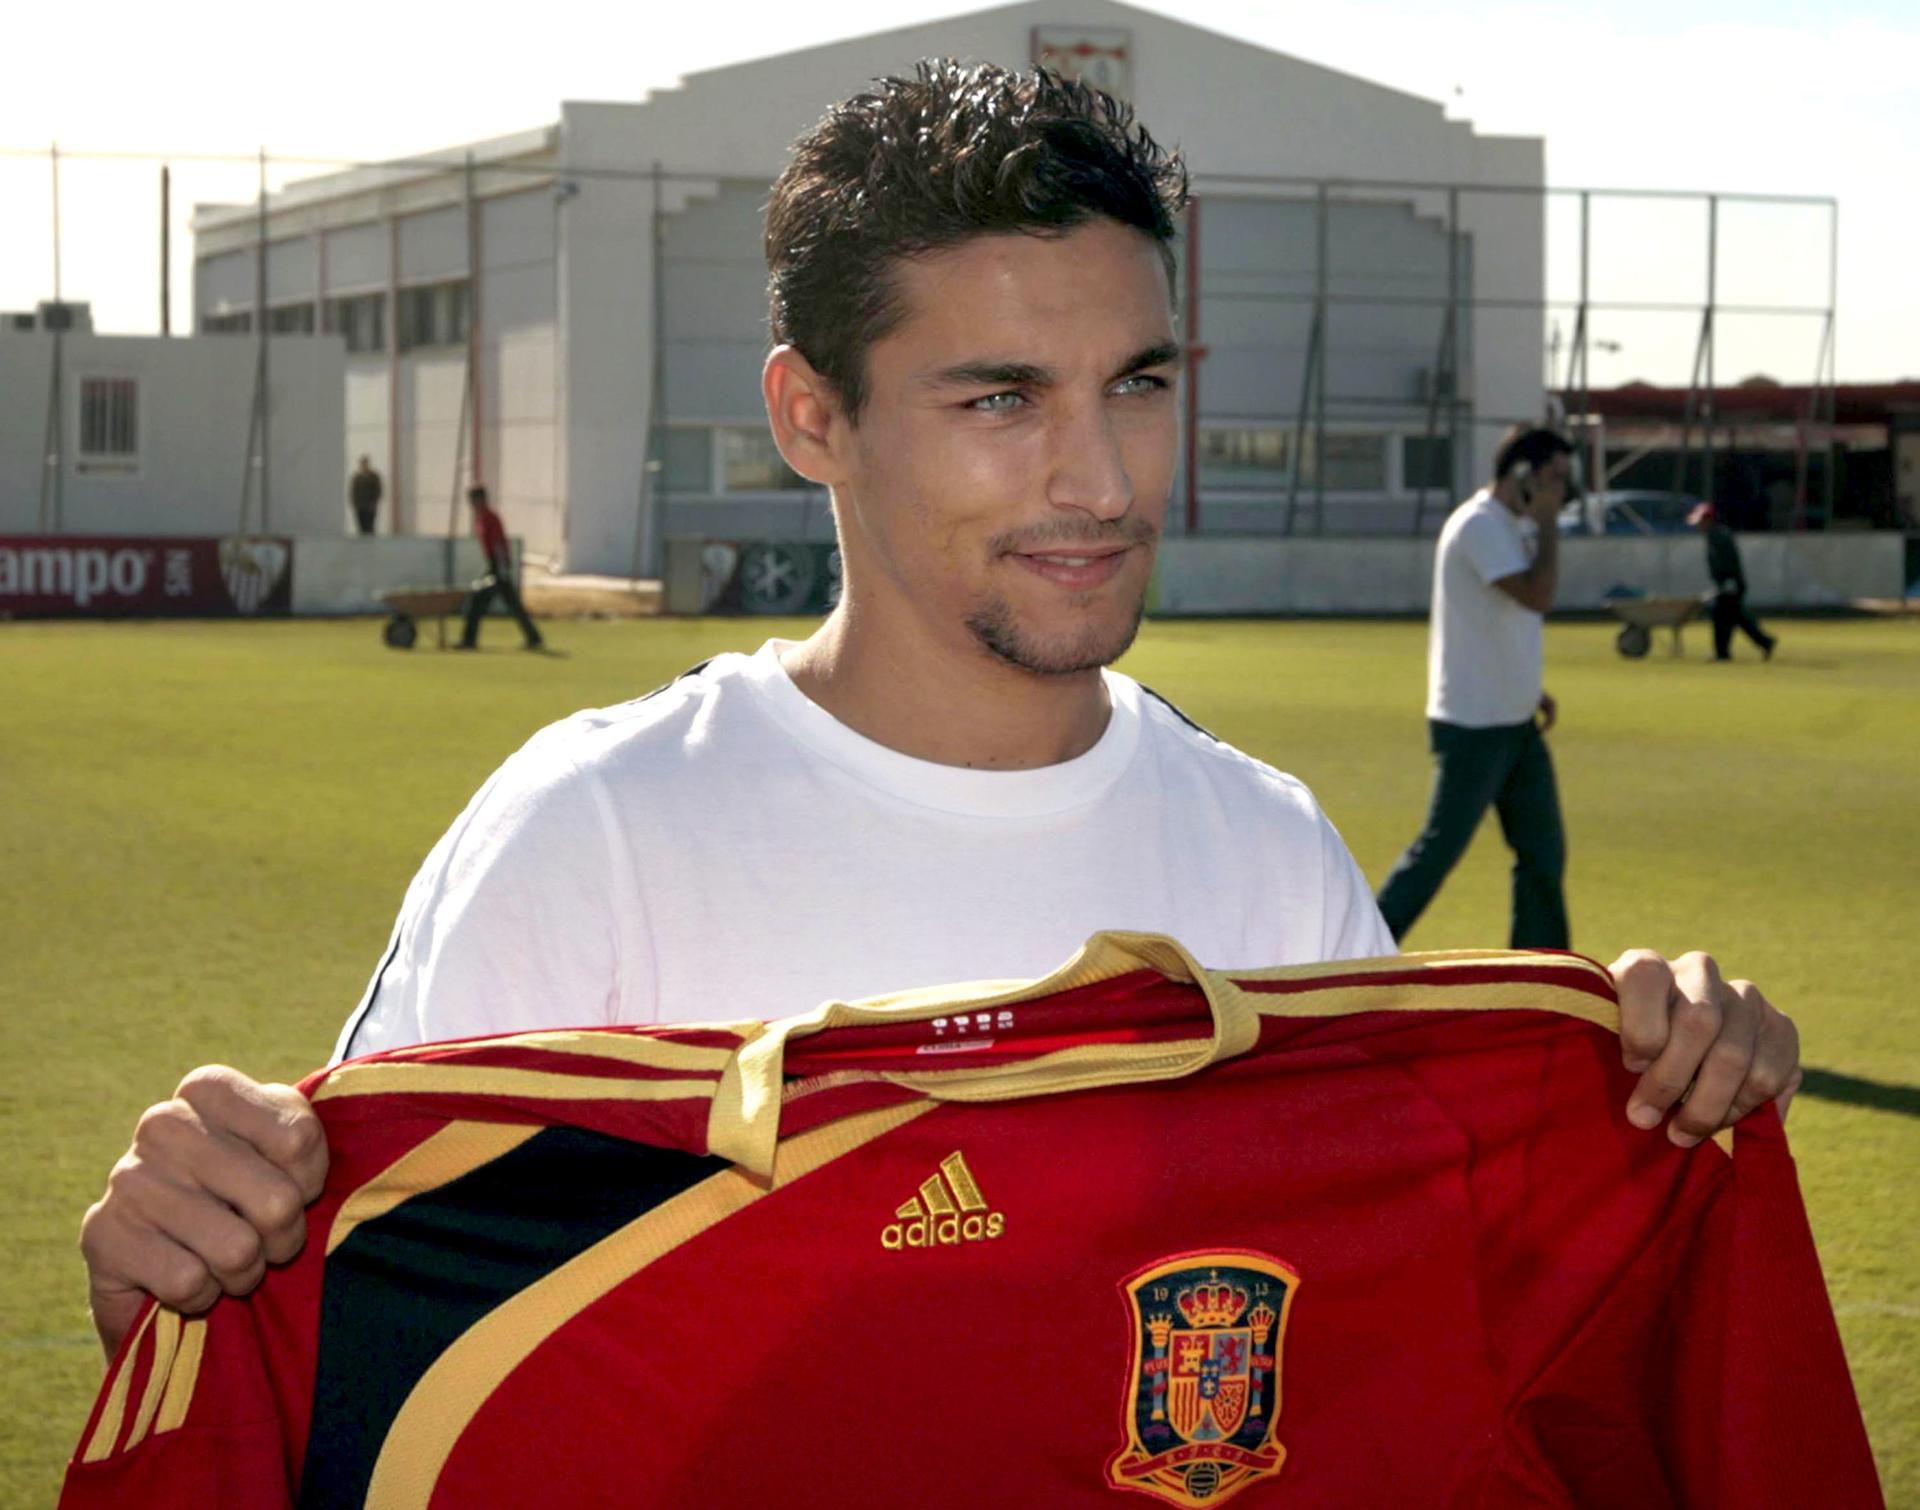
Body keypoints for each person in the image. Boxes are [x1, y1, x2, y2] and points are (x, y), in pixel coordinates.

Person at [77, 63, 1799, 1360]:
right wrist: (179, 1263)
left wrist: (1667, 1094)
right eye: (1000, 398)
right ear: (811, 417)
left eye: (1137, 384)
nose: (1101, 476)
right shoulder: (592, 836)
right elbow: (351, 1367)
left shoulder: (1270, 861)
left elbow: (1413, 1356)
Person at [1376, 428, 1573, 949]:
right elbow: (1537, 595)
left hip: (1515, 722)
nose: (1562, 491)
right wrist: (1550, 522)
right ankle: (1355, 949)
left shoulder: (1509, 525)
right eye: (1555, 478)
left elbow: (1505, 620)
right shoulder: (1479, 525)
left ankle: (1543, 972)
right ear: (1523, 475)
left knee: (1543, 854)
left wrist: (1531, 689)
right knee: (1437, 854)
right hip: (1474, 726)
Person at [458, 485, 544, 651]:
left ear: (481, 500)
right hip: (494, 565)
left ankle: (469, 640)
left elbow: (498, 543)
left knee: (478, 600)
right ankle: (534, 638)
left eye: (473, 501)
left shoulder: (491, 518)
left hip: (499, 565)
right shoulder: (482, 519)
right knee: (510, 604)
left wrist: (501, 568)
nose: (472, 505)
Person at [1690, 502, 1776, 661]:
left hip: (1731, 584)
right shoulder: (1713, 536)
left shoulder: (1720, 536)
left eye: (1701, 521)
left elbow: (1730, 561)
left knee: (1721, 615)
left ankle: (1722, 653)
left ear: (1709, 520)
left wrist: (1730, 582)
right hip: (1727, 584)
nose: (1699, 526)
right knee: (1737, 617)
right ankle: (1765, 642)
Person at [348, 456, 382, 536]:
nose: (364, 465)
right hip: (360, 505)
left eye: (365, 463)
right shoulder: (357, 477)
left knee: (369, 525)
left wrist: (374, 501)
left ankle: (370, 543)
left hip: (370, 505)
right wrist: (354, 502)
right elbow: (354, 491)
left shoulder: (374, 476)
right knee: (361, 525)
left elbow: (378, 490)